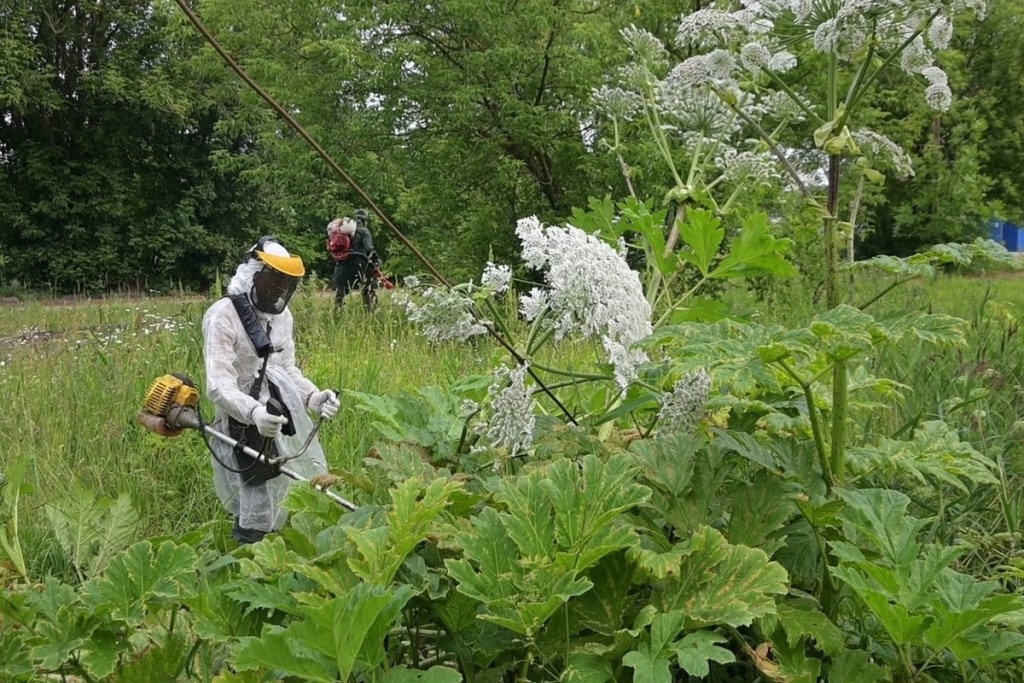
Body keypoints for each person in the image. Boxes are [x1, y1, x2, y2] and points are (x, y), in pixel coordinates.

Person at [201, 236, 341, 543]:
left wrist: (313, 397)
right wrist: (253, 413)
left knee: (284, 482)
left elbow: (286, 368)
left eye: (284, 284)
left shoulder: (281, 317)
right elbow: (219, 384)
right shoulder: (223, 316)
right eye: (273, 281)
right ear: (254, 274)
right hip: (241, 418)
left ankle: (276, 548)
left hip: (278, 410)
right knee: (256, 488)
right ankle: (249, 555)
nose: (278, 290)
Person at [327, 208, 379, 311]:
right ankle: (369, 312)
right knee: (368, 290)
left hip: (343, 264)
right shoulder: (364, 231)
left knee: (340, 294)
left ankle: (337, 314)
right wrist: (376, 261)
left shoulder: (344, 230)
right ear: (365, 221)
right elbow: (369, 248)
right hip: (360, 263)